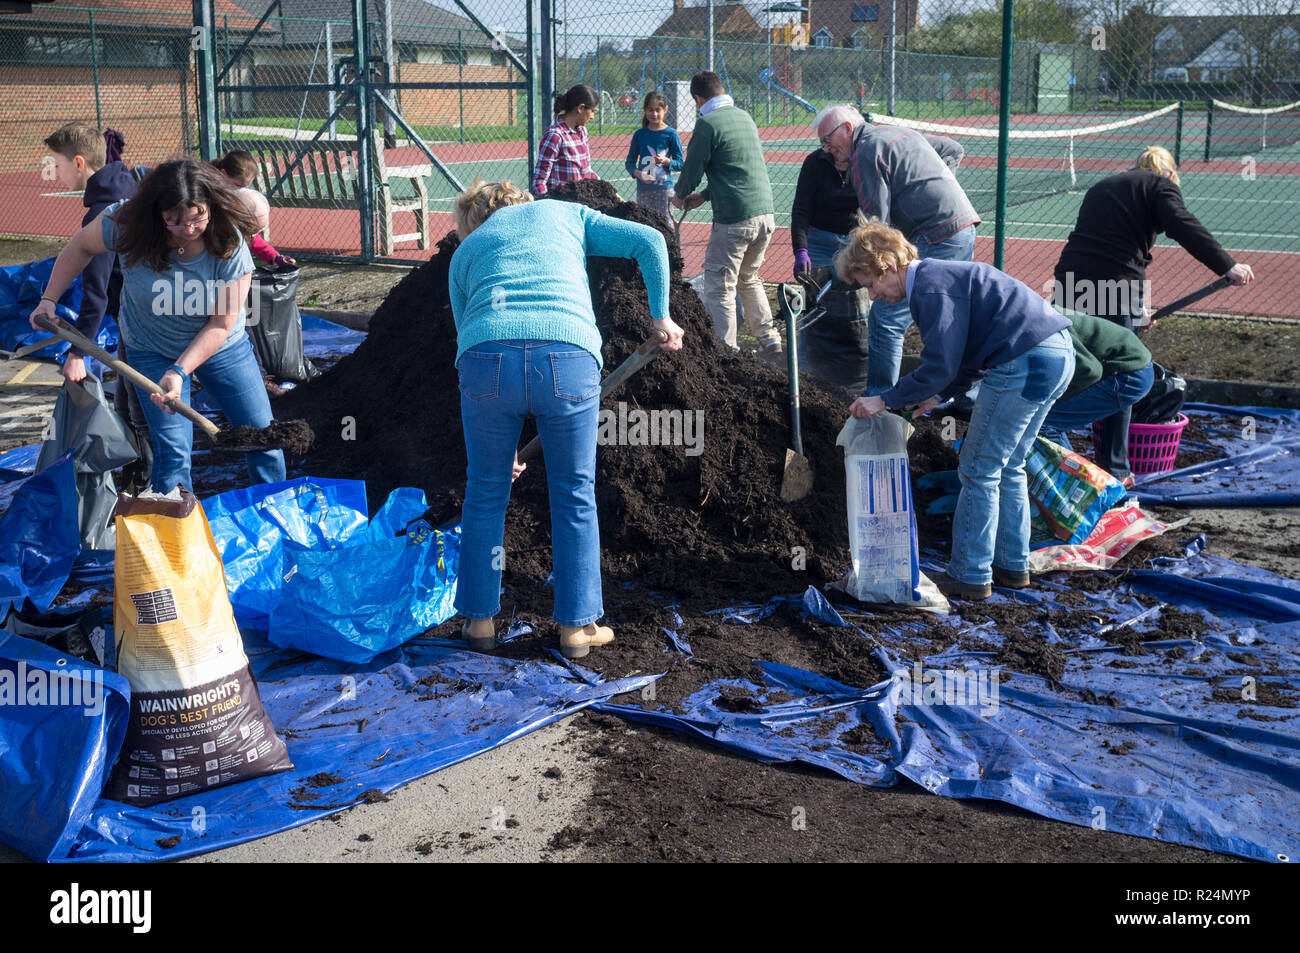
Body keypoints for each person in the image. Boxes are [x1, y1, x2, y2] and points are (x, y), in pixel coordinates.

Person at [449, 179, 684, 658]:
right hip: (567, 355)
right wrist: (660, 317)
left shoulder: (467, 250)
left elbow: (470, 335)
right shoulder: (565, 214)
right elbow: (650, 241)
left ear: (474, 220)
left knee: (485, 490)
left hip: (486, 361)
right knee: (574, 493)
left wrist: (502, 451)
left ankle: (478, 622)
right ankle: (576, 629)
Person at [838, 221, 1075, 601]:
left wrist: (885, 399)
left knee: (978, 468)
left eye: (870, 283)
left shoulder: (930, 288)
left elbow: (940, 364)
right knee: (1010, 464)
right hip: (1056, 353)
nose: (874, 295)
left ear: (888, 265)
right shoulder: (939, 279)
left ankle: (970, 575)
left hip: (1024, 360)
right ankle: (1013, 568)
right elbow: (966, 358)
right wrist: (939, 394)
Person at [29, 159, 286, 495]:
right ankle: (174, 531)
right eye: (174, 222)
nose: (188, 230)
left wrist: (179, 372)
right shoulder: (126, 222)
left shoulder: (229, 243)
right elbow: (80, 246)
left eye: (197, 219)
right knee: (173, 451)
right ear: (157, 214)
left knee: (262, 435)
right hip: (150, 348)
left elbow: (221, 324)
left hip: (223, 348)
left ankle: (273, 512)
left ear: (211, 207)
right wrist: (49, 298)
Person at [1052, 145, 1254, 481]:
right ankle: (1114, 469)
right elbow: (1181, 225)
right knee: (1123, 369)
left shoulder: (1105, 186)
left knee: (1077, 363)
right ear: (1171, 173)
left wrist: (1138, 311)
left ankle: (1052, 441)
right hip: (1113, 286)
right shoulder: (1162, 186)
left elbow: (1114, 244)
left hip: (1070, 282)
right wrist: (1227, 265)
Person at [816, 104, 981, 395]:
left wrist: (845, 268)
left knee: (886, 317)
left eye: (828, 141)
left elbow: (875, 230)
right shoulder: (896, 133)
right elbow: (951, 148)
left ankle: (881, 400)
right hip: (962, 227)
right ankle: (957, 394)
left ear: (848, 129)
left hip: (938, 235)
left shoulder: (864, 152)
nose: (827, 149)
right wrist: (936, 192)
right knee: (944, 313)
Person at [43, 122, 153, 491]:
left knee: (140, 409)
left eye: (55, 165)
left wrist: (78, 352)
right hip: (139, 314)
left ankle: (148, 490)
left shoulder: (103, 212)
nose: (52, 173)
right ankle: (133, 480)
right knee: (126, 401)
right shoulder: (123, 186)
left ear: (78, 162)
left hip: (144, 318)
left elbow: (97, 290)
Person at [672, 71, 782, 355]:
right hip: (766, 215)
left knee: (720, 285)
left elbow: (692, 170)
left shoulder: (707, 124)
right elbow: (738, 168)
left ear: (698, 98)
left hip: (735, 219)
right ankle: (770, 341)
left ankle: (726, 352)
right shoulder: (745, 118)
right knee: (749, 277)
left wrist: (680, 195)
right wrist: (706, 196)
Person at [1038, 310, 1154, 470]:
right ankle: (1073, 478)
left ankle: (1082, 484)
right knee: (1043, 417)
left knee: (1042, 421)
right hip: (1120, 365)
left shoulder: (1046, 332)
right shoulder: (1031, 318)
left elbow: (1090, 372)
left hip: (1129, 373)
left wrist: (1052, 400)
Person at [210, 151, 296, 271]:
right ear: (222, 174)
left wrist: (274, 256)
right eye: (238, 185)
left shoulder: (228, 194)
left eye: (245, 187)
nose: (241, 191)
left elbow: (250, 237)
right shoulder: (204, 196)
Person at [624, 90, 684, 222]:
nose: (654, 114)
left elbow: (680, 163)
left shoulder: (671, 134)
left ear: (665, 109)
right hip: (644, 190)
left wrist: (667, 161)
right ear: (645, 110)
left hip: (664, 189)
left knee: (665, 225)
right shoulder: (640, 134)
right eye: (650, 110)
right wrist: (639, 174)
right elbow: (629, 163)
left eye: (658, 110)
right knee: (645, 225)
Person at [531, 84, 601, 197]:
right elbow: (540, 181)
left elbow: (586, 171)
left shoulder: (583, 132)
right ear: (580, 108)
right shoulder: (555, 135)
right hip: (561, 205)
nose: (592, 116)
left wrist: (606, 188)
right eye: (592, 111)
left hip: (581, 203)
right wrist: (546, 203)